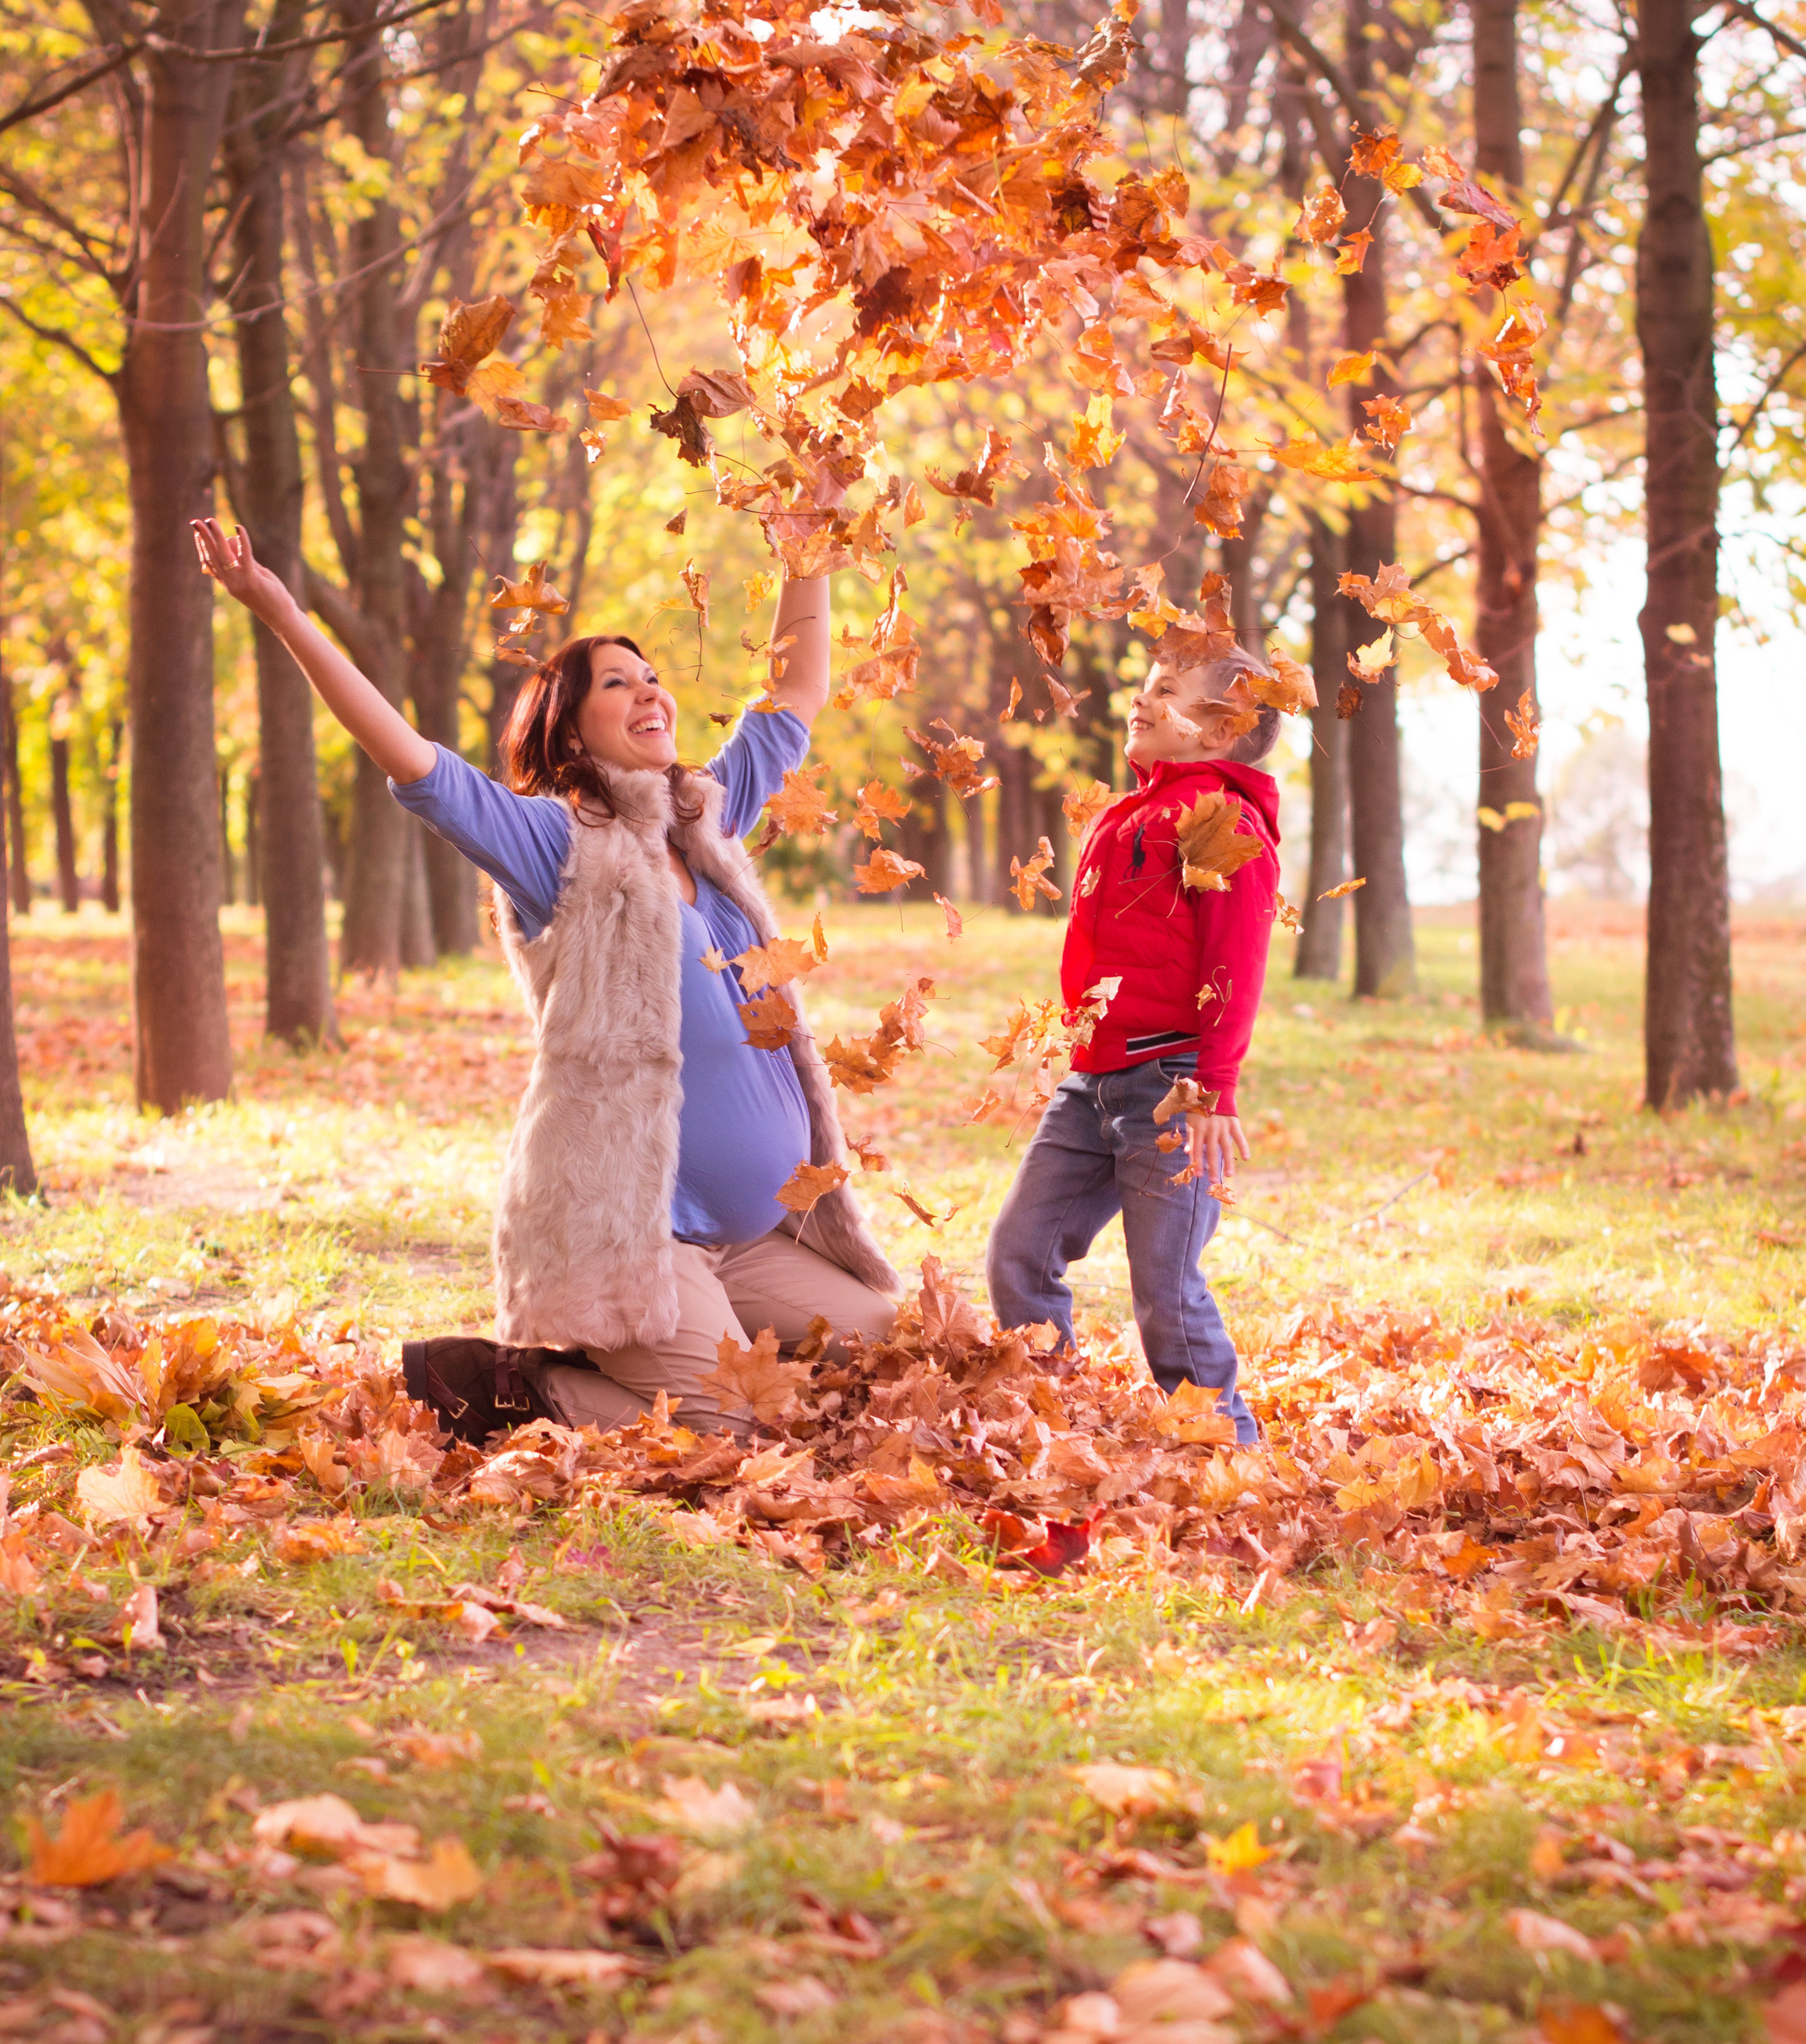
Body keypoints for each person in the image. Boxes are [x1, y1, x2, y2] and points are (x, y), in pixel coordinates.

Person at [191, 515, 898, 1440]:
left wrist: (812, 531)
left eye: (651, 676)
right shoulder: (554, 846)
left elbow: (799, 683)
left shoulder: (706, 822)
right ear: (569, 729)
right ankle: (521, 1387)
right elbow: (411, 760)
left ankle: (676, 1346)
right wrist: (278, 608)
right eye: (618, 682)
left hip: (752, 1241)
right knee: (730, 1419)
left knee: (882, 1340)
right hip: (636, 1243)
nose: (650, 692)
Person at [984, 649, 1281, 1445]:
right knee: (1019, 1251)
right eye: (1143, 686)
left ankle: (1225, 1447)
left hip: (1174, 1084)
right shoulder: (1122, 817)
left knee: (1164, 1285)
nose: (1140, 700)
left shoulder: (1225, 820)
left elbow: (1237, 963)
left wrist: (1214, 1086)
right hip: (1093, 1085)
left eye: (1167, 691)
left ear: (1223, 729)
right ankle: (1058, 1417)